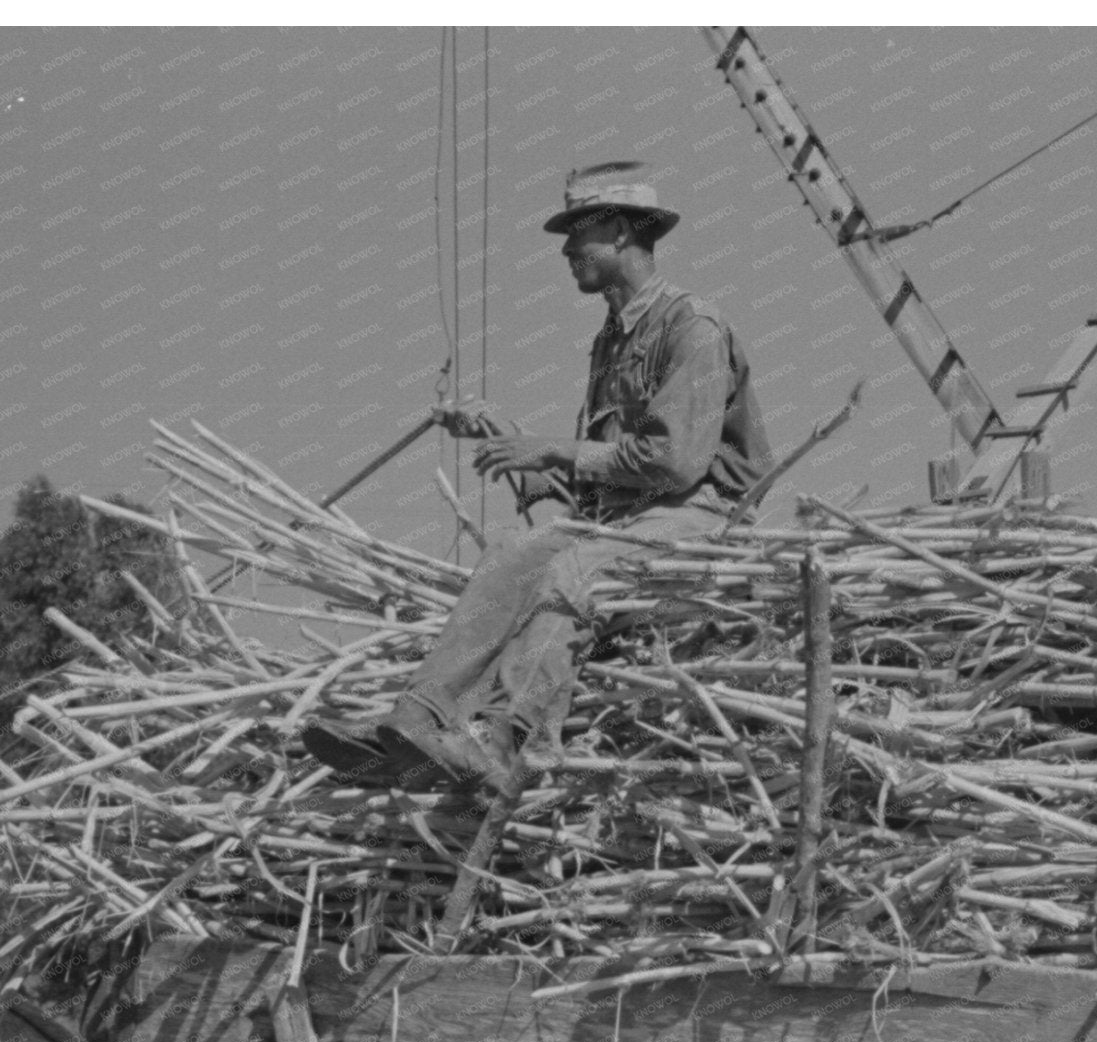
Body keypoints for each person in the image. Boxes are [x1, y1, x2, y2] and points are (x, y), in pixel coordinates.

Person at [303, 163, 772, 795]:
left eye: (583, 230)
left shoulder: (693, 329)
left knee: (571, 571)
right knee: (511, 555)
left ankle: (505, 737)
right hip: (628, 522)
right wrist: (506, 436)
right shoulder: (611, 342)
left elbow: (676, 463)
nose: (568, 247)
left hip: (703, 519)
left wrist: (551, 449)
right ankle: (414, 721)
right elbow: (596, 486)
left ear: (626, 234)